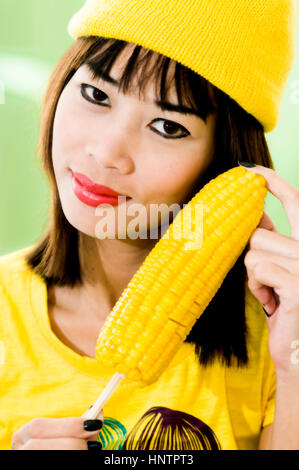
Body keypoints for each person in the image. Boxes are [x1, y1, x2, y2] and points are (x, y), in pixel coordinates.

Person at [0, 0, 298, 450]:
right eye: (97, 95)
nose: (106, 153)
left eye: (167, 125)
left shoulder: (278, 343)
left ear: (222, 160)